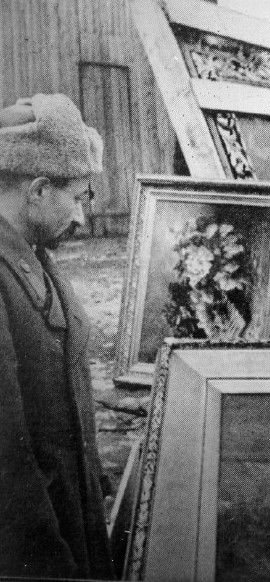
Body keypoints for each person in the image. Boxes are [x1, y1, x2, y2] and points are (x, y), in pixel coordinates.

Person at [0, 94, 115, 578]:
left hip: (70, 518)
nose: (85, 217)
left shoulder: (33, 255)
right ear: (40, 190)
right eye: (80, 196)